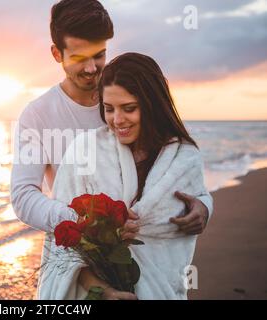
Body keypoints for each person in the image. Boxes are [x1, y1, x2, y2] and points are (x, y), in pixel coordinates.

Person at [37, 52, 212, 300]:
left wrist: (205, 207)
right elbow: (64, 242)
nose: (117, 120)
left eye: (129, 108)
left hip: (165, 291)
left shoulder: (184, 157)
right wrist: (107, 292)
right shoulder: (85, 151)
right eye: (109, 109)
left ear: (152, 105)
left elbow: (198, 199)